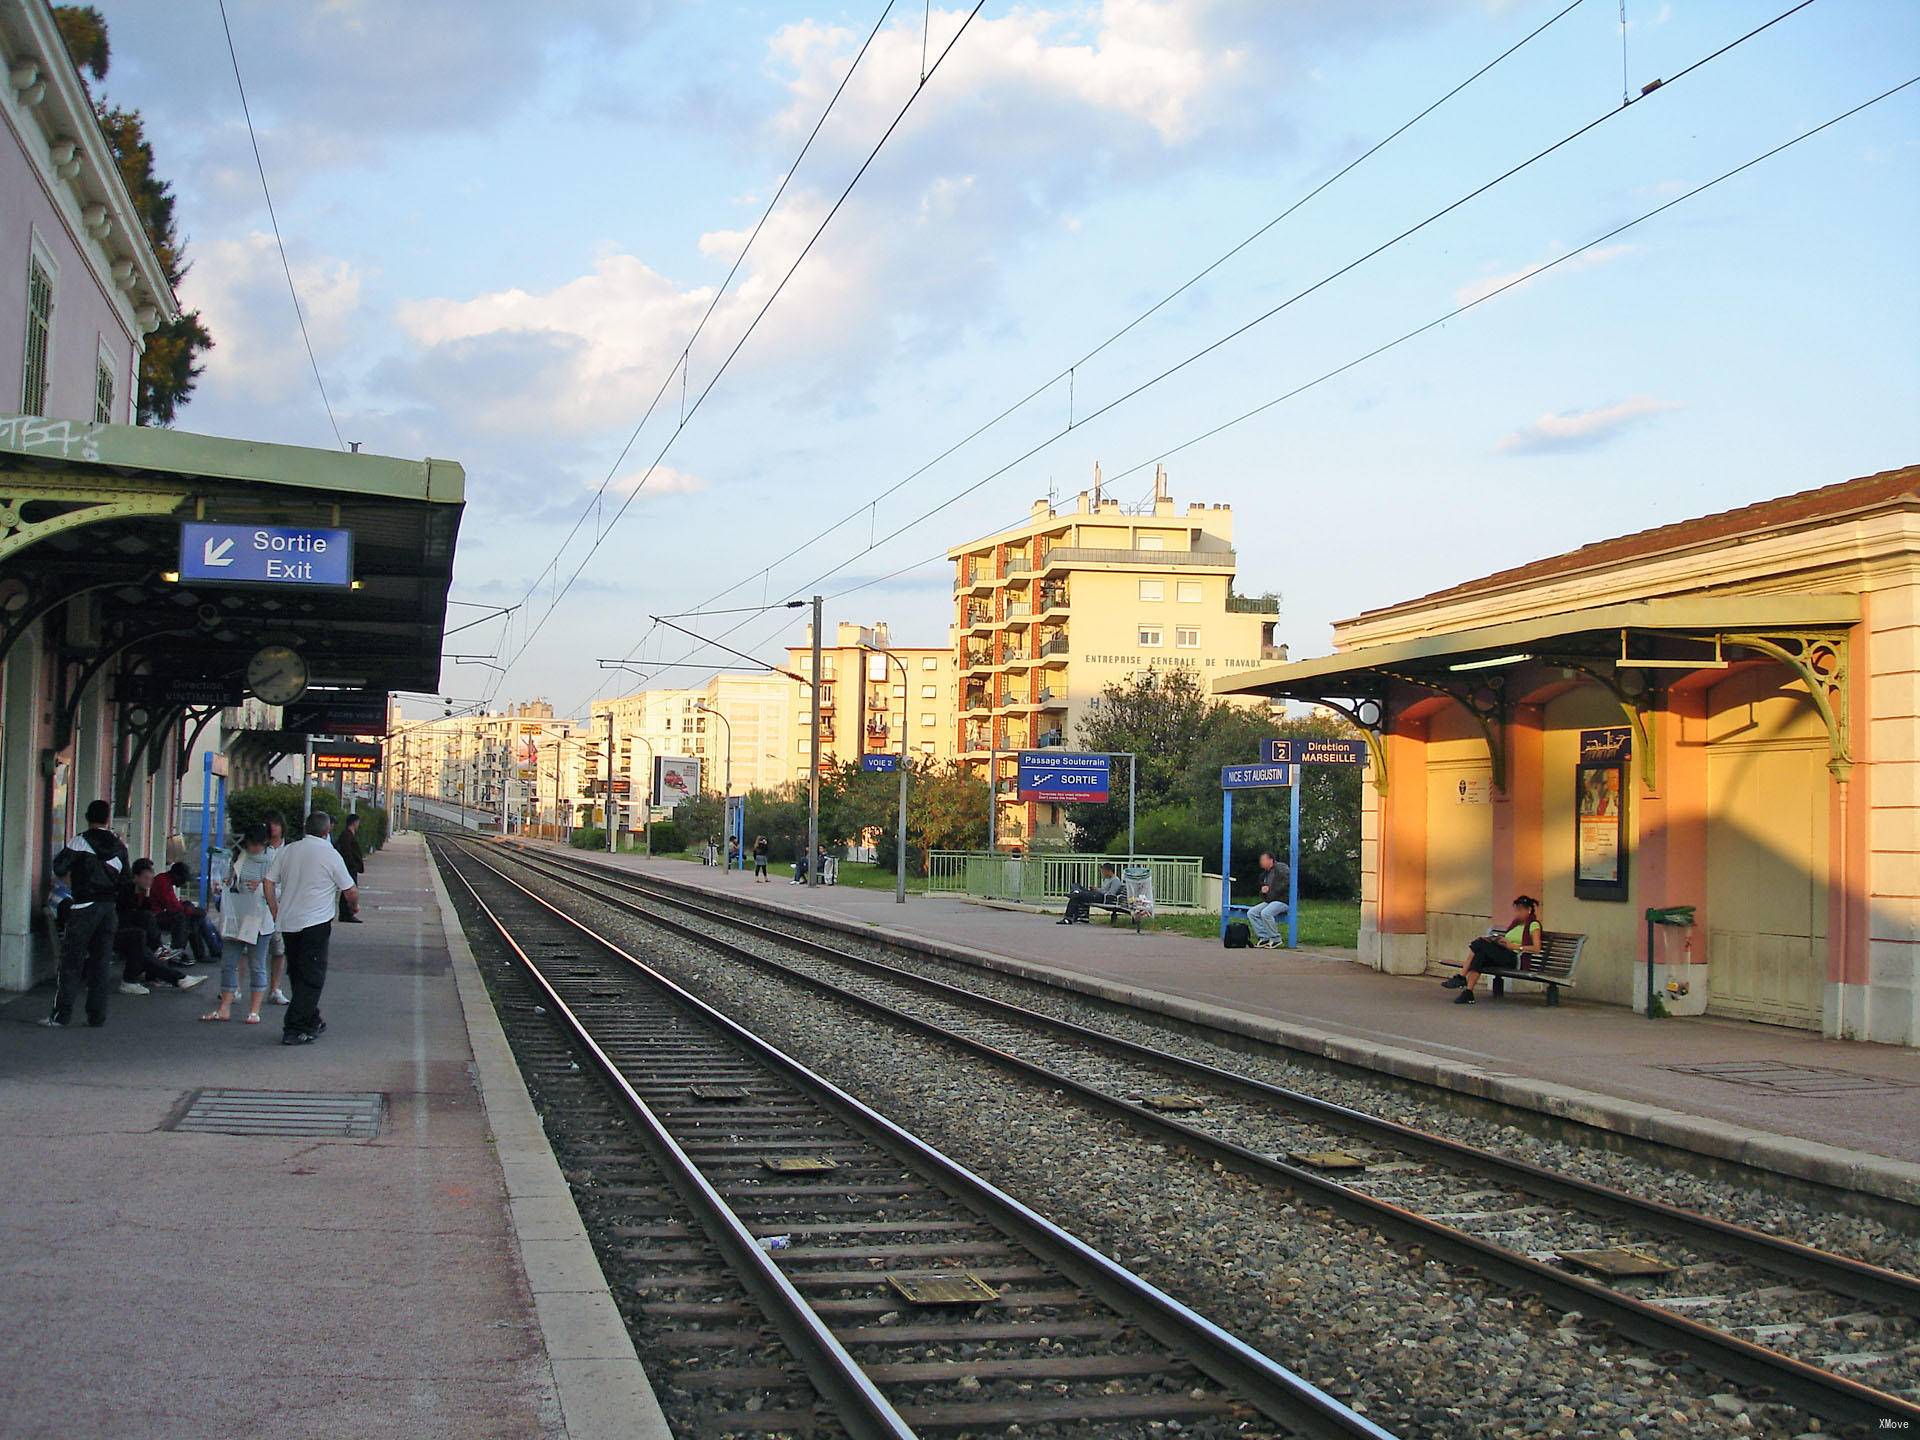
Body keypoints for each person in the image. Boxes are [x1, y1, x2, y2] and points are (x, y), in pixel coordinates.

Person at [266, 811, 359, 1046]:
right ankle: (295, 1027)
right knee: (312, 977)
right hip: (315, 923)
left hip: (288, 922)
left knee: (297, 972)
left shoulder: (288, 850)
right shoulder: (330, 854)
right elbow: (350, 890)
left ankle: (312, 1018)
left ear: (306, 828)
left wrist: (275, 909)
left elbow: (269, 882)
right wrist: (354, 907)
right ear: (327, 831)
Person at [45, 800, 128, 1027]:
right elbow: (126, 881)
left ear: (86, 816)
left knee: (71, 962)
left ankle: (61, 1015)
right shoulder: (120, 847)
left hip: (83, 907)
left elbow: (59, 867)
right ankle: (96, 1016)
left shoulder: (80, 841)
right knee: (101, 963)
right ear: (107, 819)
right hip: (108, 909)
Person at [204, 824, 274, 1024]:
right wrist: (226, 883)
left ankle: (254, 1011)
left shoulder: (273, 860)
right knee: (228, 963)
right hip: (238, 916)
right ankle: (224, 1007)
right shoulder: (240, 858)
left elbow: (279, 889)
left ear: (264, 843)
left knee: (257, 965)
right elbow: (230, 881)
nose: (252, 849)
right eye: (250, 844)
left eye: (256, 845)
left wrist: (261, 886)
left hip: (260, 920)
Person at [116, 860, 207, 994]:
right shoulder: (126, 891)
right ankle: (177, 974)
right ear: (135, 877)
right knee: (143, 936)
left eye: (150, 879)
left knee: (144, 945)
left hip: (136, 930)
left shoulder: (144, 892)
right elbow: (129, 915)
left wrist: (146, 896)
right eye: (146, 878)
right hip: (122, 930)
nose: (149, 882)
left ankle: (176, 975)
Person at [1443, 895, 1544, 1004]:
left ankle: (1462, 977)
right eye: (1516, 910)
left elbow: (1536, 948)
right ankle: (1468, 992)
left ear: (1528, 910)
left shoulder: (1534, 925)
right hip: (1504, 953)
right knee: (1479, 955)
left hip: (1515, 958)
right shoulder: (1516, 924)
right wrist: (1497, 941)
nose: (1517, 913)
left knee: (1479, 944)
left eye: (1520, 910)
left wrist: (1514, 946)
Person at [147, 861, 212, 962]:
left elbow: (174, 904)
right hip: (156, 915)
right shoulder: (162, 881)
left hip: (163, 913)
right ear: (176, 875)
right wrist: (193, 911)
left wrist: (191, 910)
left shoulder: (166, 880)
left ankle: (198, 954)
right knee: (181, 917)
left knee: (191, 916)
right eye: (183, 879)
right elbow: (173, 907)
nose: (184, 883)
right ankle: (177, 952)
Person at [262, 813, 291, 1005]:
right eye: (269, 824)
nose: (273, 827)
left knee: (278, 949)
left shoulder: (289, 850)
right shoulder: (258, 848)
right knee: (247, 949)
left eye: (276, 824)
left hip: (280, 904)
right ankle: (236, 988)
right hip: (257, 904)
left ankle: (275, 988)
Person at [1247, 850, 1290, 949]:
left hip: (1283, 900)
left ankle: (1276, 939)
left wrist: (1270, 890)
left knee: (1266, 913)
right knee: (1252, 912)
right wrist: (1263, 891)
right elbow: (1264, 891)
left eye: (1263, 859)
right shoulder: (1265, 874)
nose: (1261, 862)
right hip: (1270, 900)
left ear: (1271, 860)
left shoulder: (1281, 868)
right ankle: (1264, 937)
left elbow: (1286, 883)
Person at [335, 813, 366, 923]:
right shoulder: (347, 835)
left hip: (350, 867)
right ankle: (346, 913)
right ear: (355, 822)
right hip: (349, 867)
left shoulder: (348, 835)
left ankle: (347, 913)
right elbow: (347, 852)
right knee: (348, 889)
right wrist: (352, 864)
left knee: (348, 888)